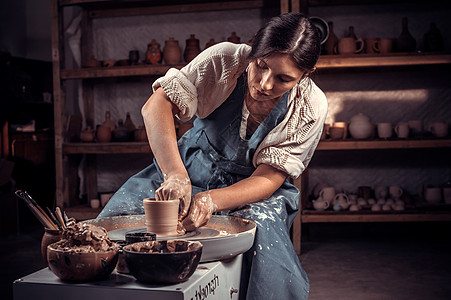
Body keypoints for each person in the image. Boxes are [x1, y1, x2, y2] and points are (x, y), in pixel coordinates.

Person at [99, 12, 327, 300]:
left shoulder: (310, 105)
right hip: (192, 164)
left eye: (283, 79)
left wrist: (212, 200)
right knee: (119, 221)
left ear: (305, 75)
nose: (265, 84)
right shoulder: (225, 60)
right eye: (261, 66)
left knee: (262, 236)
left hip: (254, 187)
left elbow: (269, 176)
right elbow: (156, 105)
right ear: (252, 48)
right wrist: (175, 175)